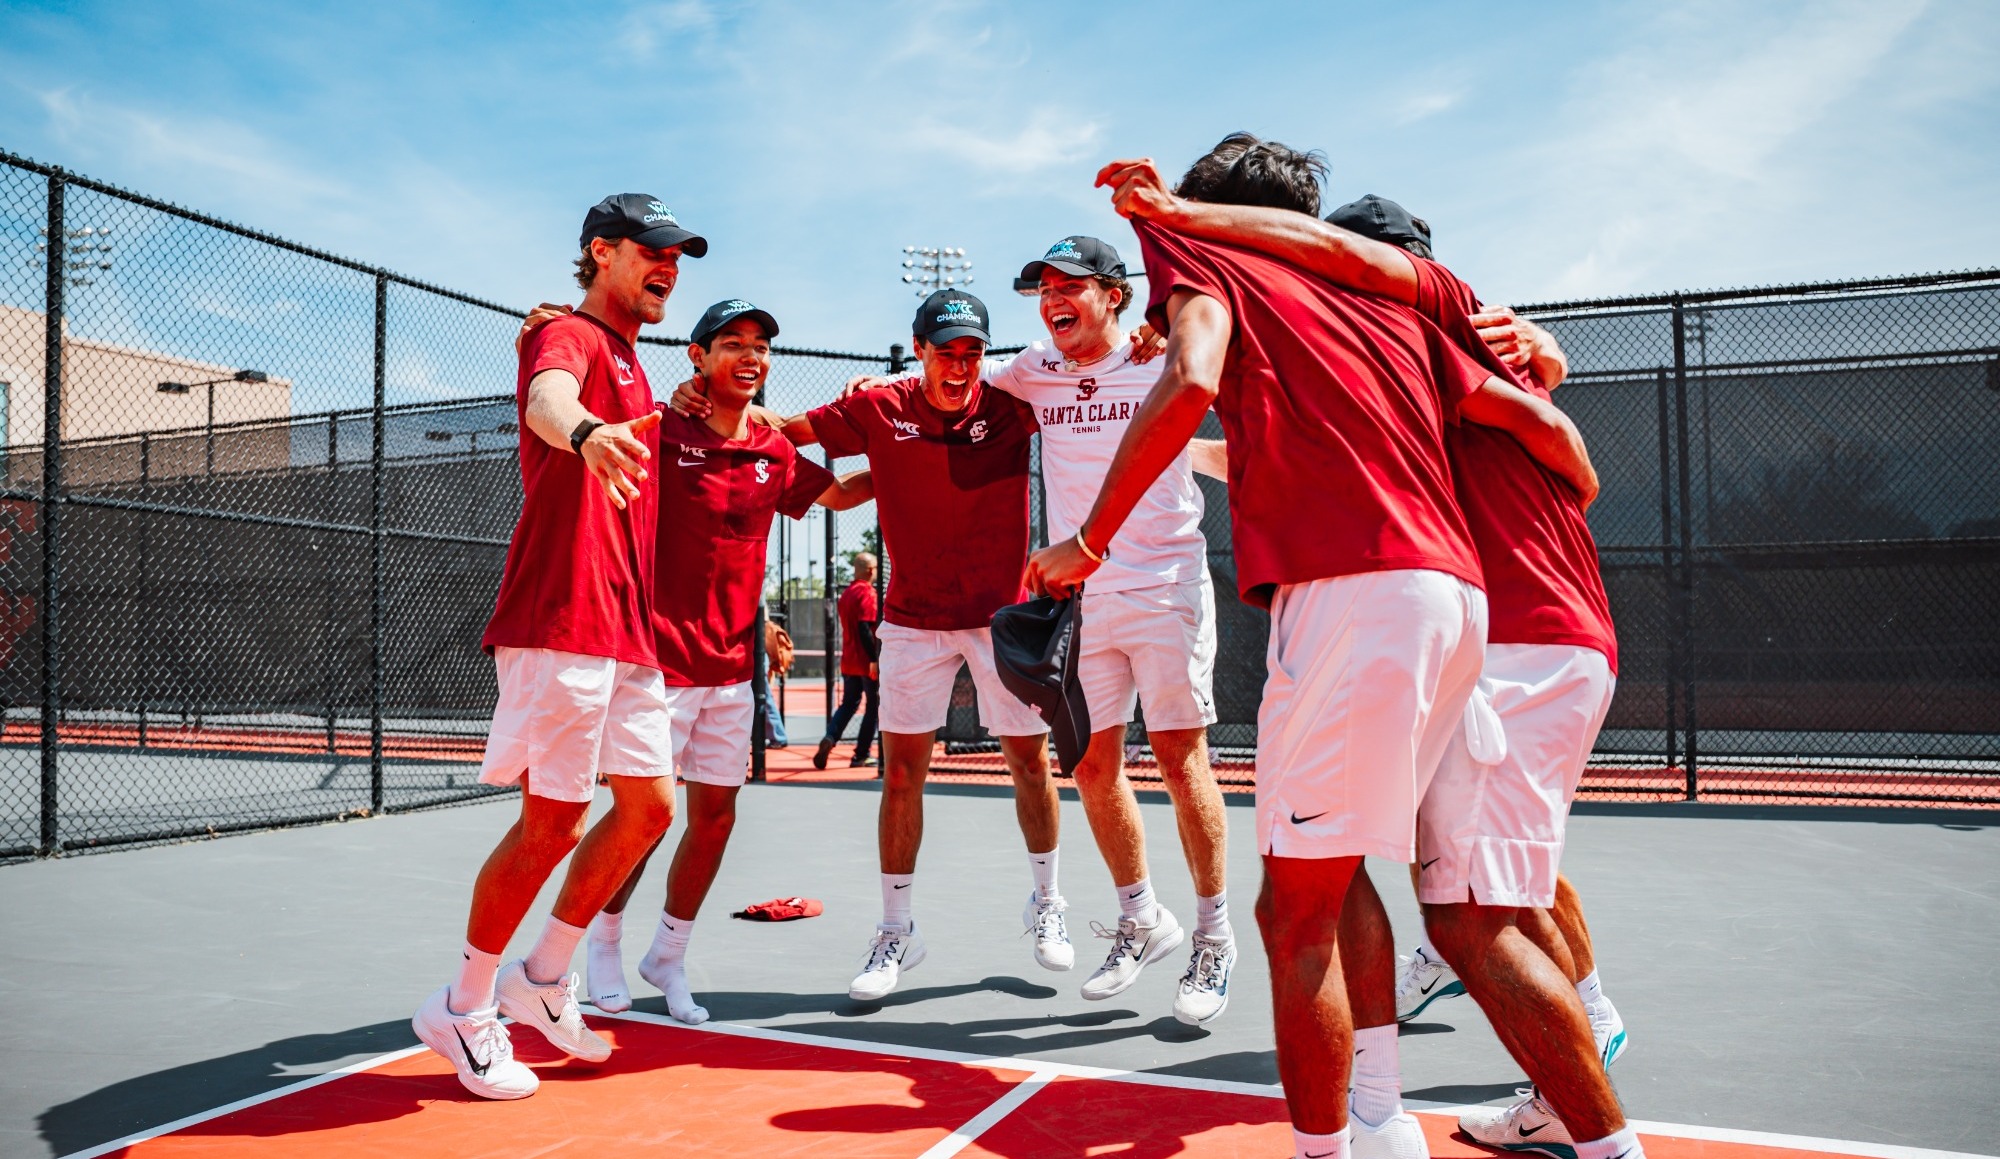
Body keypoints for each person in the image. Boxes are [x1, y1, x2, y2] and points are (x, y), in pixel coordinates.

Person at [1030, 134, 1614, 1159]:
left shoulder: (1215, 256)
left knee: (1308, 909)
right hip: (1461, 601)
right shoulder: (1398, 320)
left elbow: (1191, 376)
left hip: (1383, 600)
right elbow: (1554, 447)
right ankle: (1401, 1116)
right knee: (1435, 900)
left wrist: (1086, 537)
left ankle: (1351, 1140)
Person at [847, 235, 1236, 1025]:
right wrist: (877, 380)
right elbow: (948, 376)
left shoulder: (1165, 355)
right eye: (1042, 289)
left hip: (1165, 589)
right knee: (1091, 766)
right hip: (1082, 599)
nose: (1052, 299)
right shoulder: (1033, 370)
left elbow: (1224, 390)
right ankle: (1140, 917)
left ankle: (1213, 936)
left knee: (1178, 754)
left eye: (1070, 286)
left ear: (1115, 296)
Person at [674, 288, 1066, 1001]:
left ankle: (1047, 904)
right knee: (899, 774)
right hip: (913, 616)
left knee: (1029, 764)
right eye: (945, 352)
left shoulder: (1013, 405)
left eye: (972, 352)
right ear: (919, 351)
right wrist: (697, 395)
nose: (959, 366)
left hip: (1000, 617)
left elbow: (1088, 386)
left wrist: (1143, 342)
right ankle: (895, 930)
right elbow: (781, 430)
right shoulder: (878, 408)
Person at [507, 298, 874, 1024]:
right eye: (731, 342)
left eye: (761, 345)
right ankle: (601, 946)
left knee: (713, 820)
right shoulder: (662, 431)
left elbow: (839, 491)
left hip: (732, 667)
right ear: (697, 359)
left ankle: (666, 956)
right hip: (659, 662)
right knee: (640, 820)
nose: (750, 355)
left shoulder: (772, 451)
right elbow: (586, 416)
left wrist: (909, 458)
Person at [411, 193, 699, 1101]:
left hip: (626, 622)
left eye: (678, 255)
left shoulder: (636, 363)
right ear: (600, 253)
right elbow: (547, 396)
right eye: (650, 250)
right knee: (554, 821)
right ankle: (461, 1005)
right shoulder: (566, 335)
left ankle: (542, 979)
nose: (668, 266)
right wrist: (583, 431)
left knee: (650, 808)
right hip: (563, 614)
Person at [816, 552, 882, 769]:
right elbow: (865, 628)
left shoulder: (846, 595)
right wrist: (874, 659)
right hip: (865, 661)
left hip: (849, 659)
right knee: (873, 705)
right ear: (871, 571)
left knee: (849, 703)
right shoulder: (868, 594)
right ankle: (861, 754)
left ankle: (831, 737)